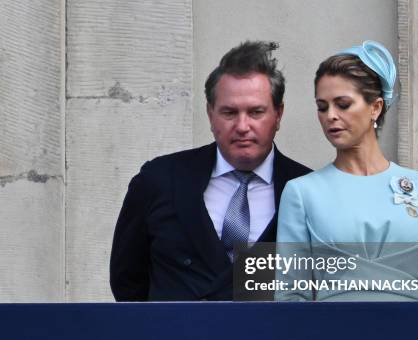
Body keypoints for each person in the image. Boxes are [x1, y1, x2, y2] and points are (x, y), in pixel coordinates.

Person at [110, 41, 311, 301]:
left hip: (271, 339)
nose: (242, 126)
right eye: (229, 112)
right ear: (210, 114)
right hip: (177, 338)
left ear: (278, 115)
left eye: (256, 112)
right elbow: (128, 282)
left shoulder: (309, 191)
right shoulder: (159, 180)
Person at [275, 40, 418, 301]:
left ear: (375, 107)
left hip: (413, 337)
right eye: (322, 107)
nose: (330, 115)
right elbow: (290, 294)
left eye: (342, 104)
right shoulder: (301, 192)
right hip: (330, 337)